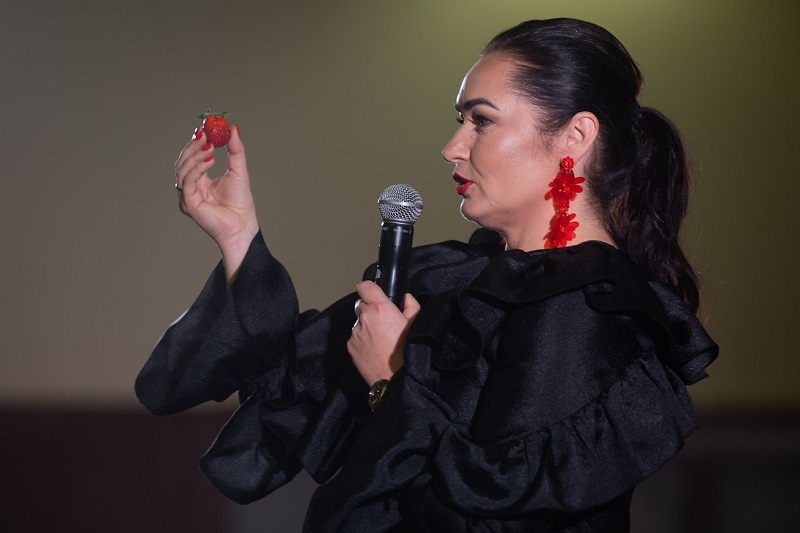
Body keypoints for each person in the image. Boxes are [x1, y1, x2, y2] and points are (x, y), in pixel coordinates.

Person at [136, 18, 718, 532]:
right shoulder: (455, 279)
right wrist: (238, 235)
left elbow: (491, 513)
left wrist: (393, 382)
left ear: (576, 136)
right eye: (459, 120)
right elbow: (284, 397)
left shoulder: (587, 307)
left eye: (481, 121)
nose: (451, 147)